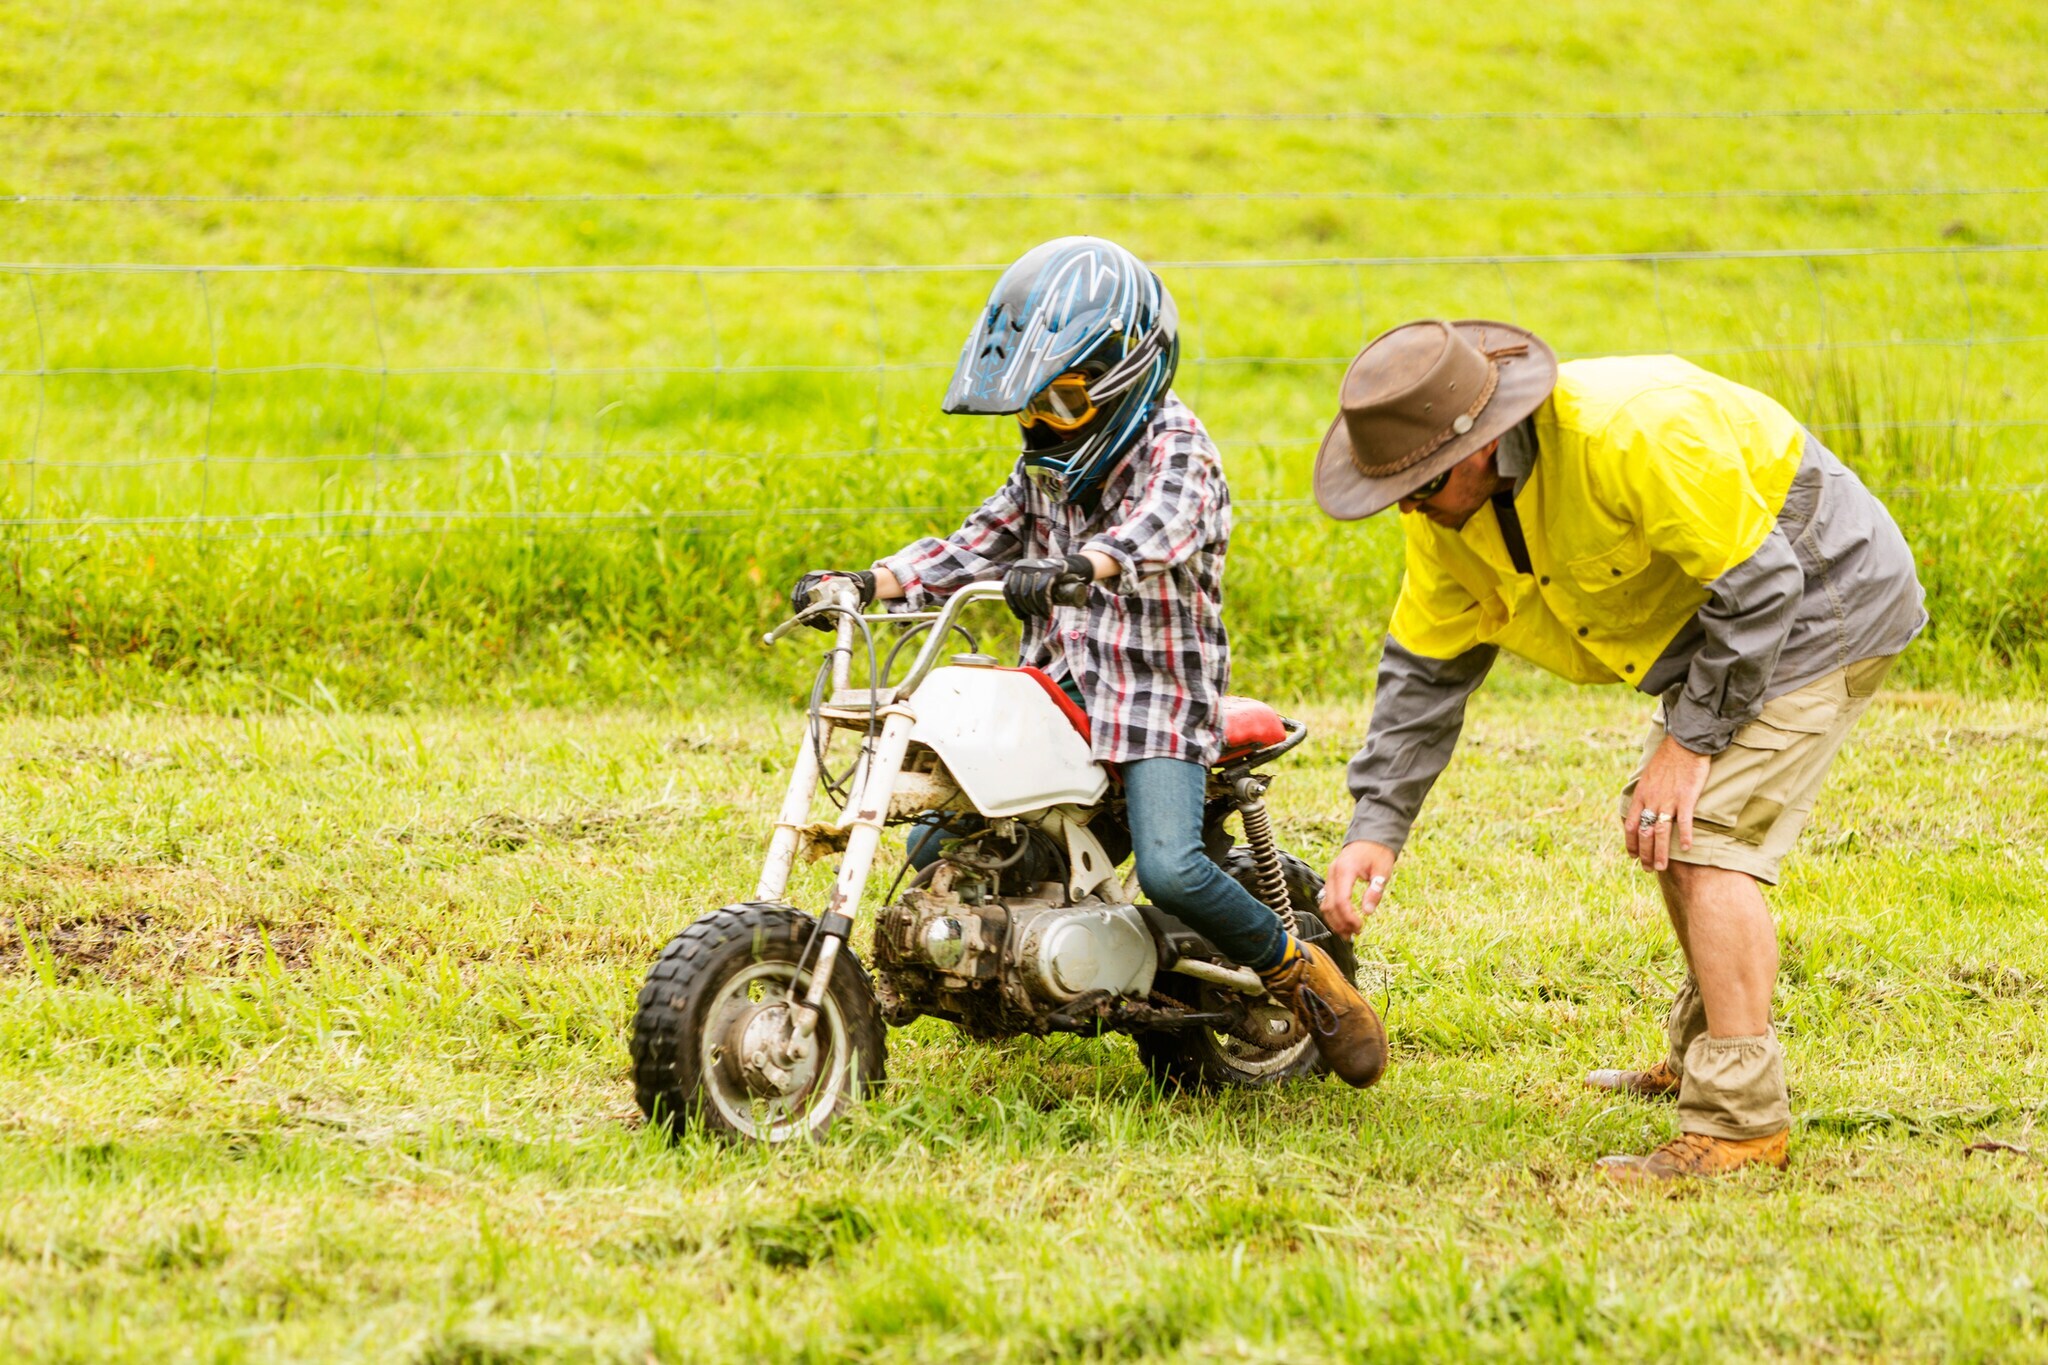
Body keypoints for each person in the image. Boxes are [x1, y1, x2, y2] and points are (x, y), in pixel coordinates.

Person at [1312, 319, 1924, 1177]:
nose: (1405, 504)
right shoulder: (1442, 514)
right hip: (1732, 621)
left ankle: (1740, 1125)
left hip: (1824, 596)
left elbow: (1764, 586)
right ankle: (1701, 1060)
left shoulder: (1630, 434)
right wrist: (1375, 826)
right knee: (1663, 826)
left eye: (1418, 482)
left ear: (1481, 446)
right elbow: (1426, 672)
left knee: (1704, 834)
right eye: (1394, 487)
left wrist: (1689, 740)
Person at [793, 236, 1386, 1087]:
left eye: (1061, 402)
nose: (1040, 424)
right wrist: (871, 579)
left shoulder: (1177, 447)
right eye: (1030, 407)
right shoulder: (1045, 466)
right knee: (937, 841)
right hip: (1062, 697)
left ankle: (1305, 976)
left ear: (1122, 379)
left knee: (1175, 866)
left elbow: (1159, 529)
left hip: (1157, 703)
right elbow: (978, 541)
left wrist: (1084, 563)